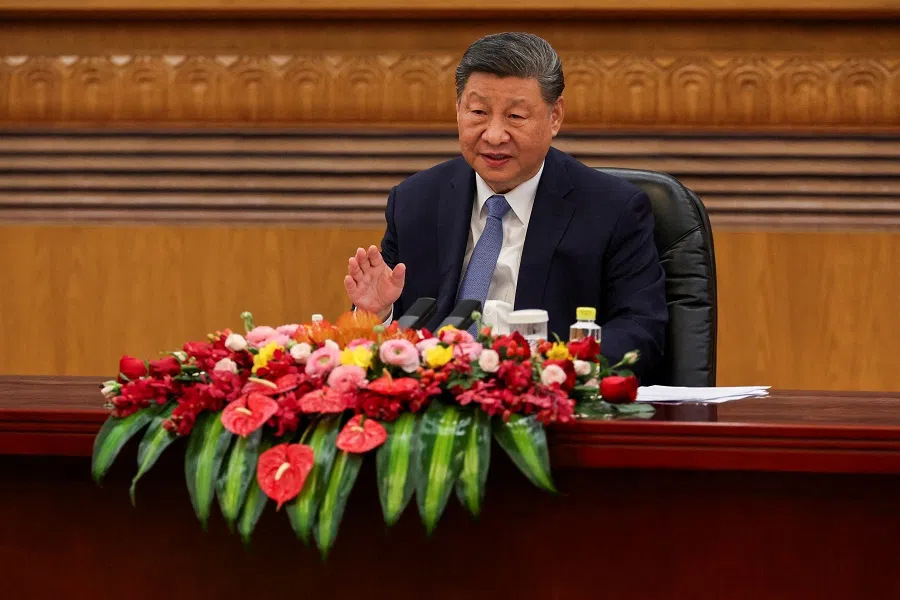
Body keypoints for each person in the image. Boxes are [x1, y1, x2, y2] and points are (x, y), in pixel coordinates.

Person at [344, 32, 667, 382]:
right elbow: (392, 332)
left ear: (554, 116)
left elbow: (641, 331)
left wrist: (549, 369)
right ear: (458, 110)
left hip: (547, 409)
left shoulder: (612, 209)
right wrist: (381, 313)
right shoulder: (415, 201)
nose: (494, 135)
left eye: (515, 116)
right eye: (479, 112)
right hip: (437, 408)